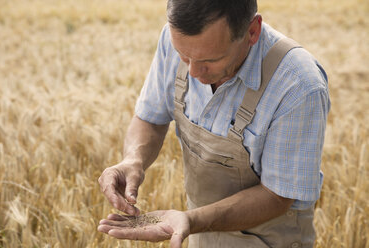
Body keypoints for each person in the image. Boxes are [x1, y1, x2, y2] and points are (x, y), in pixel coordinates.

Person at [97, 0, 330, 247]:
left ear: (252, 31)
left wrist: (190, 220)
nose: (194, 72)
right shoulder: (175, 38)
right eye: (184, 57)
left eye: (211, 59)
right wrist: (133, 160)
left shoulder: (299, 85)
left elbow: (276, 196)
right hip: (196, 233)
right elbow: (150, 117)